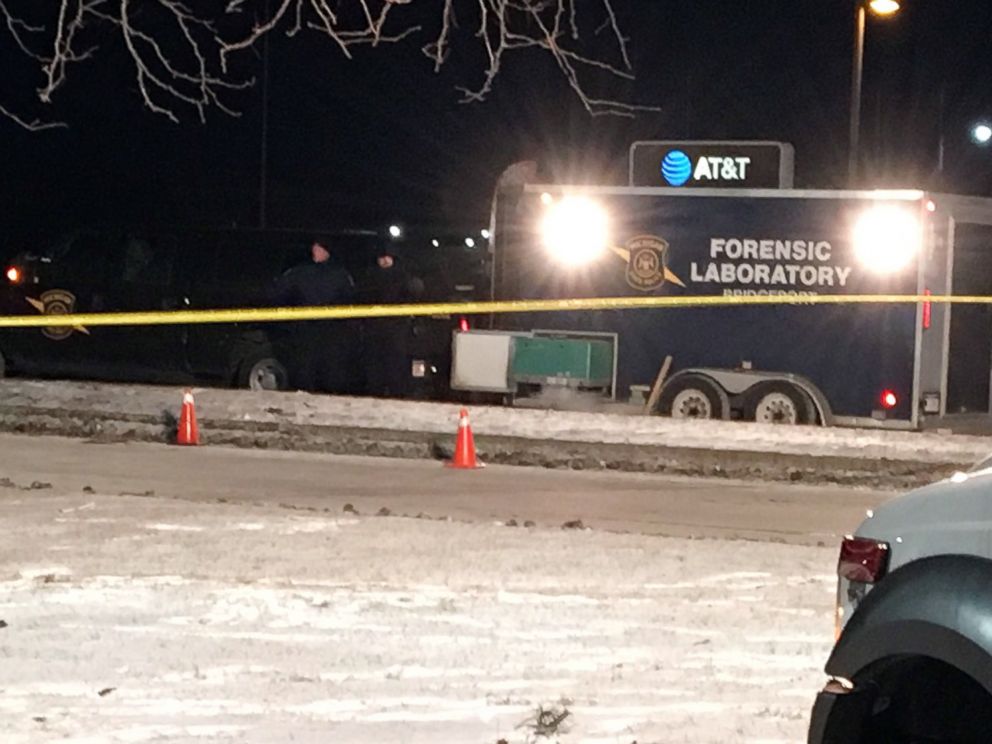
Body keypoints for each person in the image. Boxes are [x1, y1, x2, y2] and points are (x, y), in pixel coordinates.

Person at [270, 238, 358, 392]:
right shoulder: (300, 272)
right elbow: (280, 293)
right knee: (305, 367)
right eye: (314, 248)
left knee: (330, 368)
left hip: (331, 330)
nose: (315, 252)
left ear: (327, 251)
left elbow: (350, 298)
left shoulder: (339, 274)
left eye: (319, 249)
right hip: (305, 328)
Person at [362, 243, 422, 397]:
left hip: (396, 329)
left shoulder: (403, 277)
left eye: (387, 257)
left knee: (395, 363)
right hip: (375, 329)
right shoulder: (370, 277)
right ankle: (376, 391)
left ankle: (397, 391)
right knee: (375, 363)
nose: (384, 261)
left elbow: (413, 295)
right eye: (381, 258)